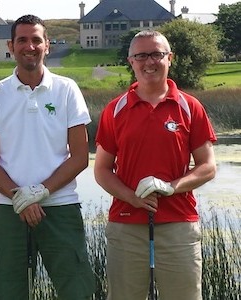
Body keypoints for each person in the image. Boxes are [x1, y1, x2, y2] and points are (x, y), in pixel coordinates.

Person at [0, 14, 96, 299]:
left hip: (60, 207)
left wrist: (41, 192)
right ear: (10, 45)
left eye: (36, 40)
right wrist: (21, 197)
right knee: (9, 292)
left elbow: (80, 156)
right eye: (22, 40)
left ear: (47, 46)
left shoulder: (67, 89)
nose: (29, 46)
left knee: (77, 291)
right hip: (10, 209)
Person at [94, 30, 217, 300]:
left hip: (178, 225)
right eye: (141, 55)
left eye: (156, 54)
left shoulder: (189, 106)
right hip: (126, 225)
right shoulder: (115, 110)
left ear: (169, 58)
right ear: (131, 61)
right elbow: (101, 170)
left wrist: (172, 187)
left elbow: (207, 166)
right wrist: (132, 198)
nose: (149, 62)